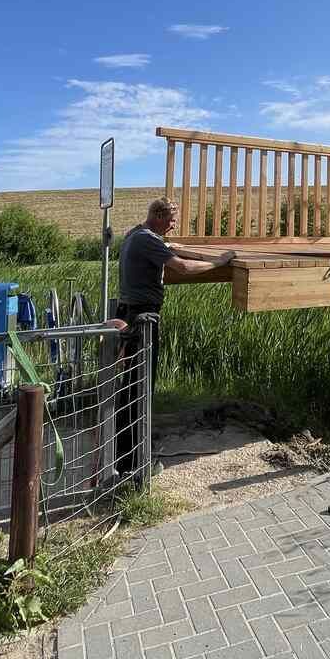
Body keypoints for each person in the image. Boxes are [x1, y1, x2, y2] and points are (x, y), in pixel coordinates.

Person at [113, 198, 234, 476]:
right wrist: (218, 262)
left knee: (131, 385)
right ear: (157, 216)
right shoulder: (146, 239)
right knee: (140, 386)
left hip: (132, 313)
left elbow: (163, 248)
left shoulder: (135, 235)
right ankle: (135, 462)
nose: (174, 225)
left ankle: (126, 453)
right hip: (142, 318)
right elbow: (183, 268)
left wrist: (170, 246)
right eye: (171, 220)